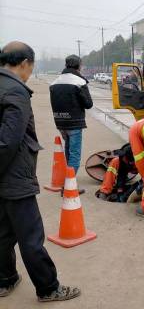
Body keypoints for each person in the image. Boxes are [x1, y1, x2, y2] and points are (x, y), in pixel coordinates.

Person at [0, 41, 80, 301]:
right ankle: (48, 287)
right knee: (31, 237)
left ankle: (5, 279)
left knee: (2, 232)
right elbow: (8, 141)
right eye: (30, 68)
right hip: (14, 176)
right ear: (24, 64)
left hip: (5, 179)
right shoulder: (15, 91)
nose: (29, 73)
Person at [49, 55, 93, 178]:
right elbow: (89, 104)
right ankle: (69, 185)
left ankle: (66, 180)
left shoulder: (55, 82)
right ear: (79, 66)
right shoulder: (79, 82)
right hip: (74, 123)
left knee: (68, 151)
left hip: (60, 123)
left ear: (66, 65)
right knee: (75, 155)